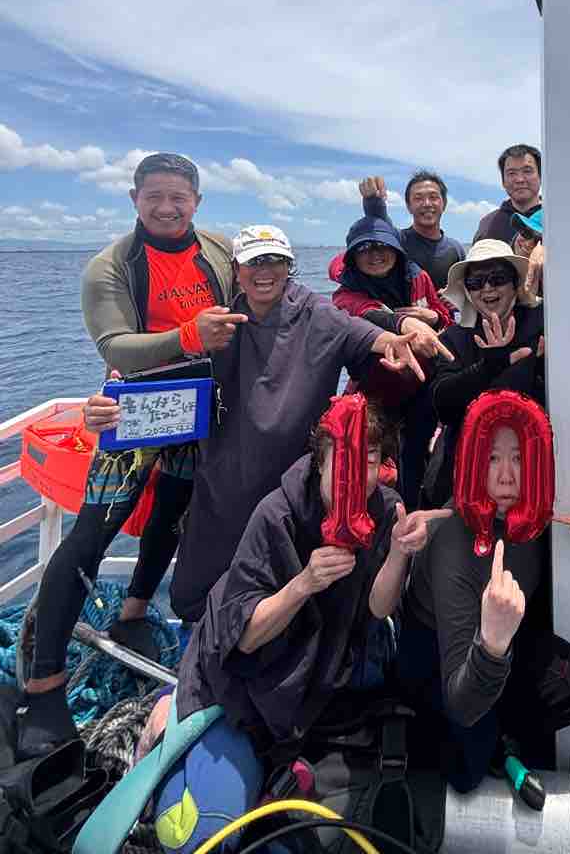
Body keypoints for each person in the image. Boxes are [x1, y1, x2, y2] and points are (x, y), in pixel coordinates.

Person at [149, 398, 449, 854]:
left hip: (320, 681)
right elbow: (245, 636)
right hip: (243, 683)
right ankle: (170, 713)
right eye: (344, 461)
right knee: (192, 837)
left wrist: (398, 553)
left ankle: (284, 773)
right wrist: (304, 583)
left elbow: (377, 608)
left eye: (370, 461)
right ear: (319, 462)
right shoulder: (277, 515)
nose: (358, 476)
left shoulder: (386, 509)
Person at [18, 152, 240, 758]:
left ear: (197, 202)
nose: (167, 208)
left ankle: (135, 611)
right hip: (135, 409)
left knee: (172, 513)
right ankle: (43, 688)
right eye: (155, 197)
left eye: (179, 198)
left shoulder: (219, 251)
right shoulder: (111, 266)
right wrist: (189, 335)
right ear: (135, 199)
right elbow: (116, 345)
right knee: (92, 533)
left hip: (200, 405)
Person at [165, 225, 432, 623]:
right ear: (236, 269)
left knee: (288, 599)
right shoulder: (218, 322)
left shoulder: (316, 315)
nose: (264, 271)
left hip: (290, 488)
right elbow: (168, 377)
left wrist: (397, 333)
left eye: (274, 261)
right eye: (254, 261)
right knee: (201, 598)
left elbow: (363, 335)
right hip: (224, 482)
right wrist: (115, 399)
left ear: (289, 266)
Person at [396, 391, 570, 793]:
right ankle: (489, 743)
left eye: (518, 459)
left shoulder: (534, 518)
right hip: (441, 656)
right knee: (468, 767)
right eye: (492, 459)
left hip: (504, 635)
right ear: (473, 463)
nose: (506, 476)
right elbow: (461, 703)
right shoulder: (454, 544)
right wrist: (493, 643)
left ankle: (508, 731)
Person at [330, 212, 454, 504]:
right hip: (375, 393)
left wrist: (434, 317)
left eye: (383, 246)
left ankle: (414, 512)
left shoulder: (418, 277)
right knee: (370, 465)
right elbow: (365, 313)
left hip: (422, 387)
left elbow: (446, 317)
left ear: (397, 250)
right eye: (364, 249)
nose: (375, 255)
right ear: (352, 258)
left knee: (416, 459)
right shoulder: (344, 295)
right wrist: (404, 323)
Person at [424, 239, 543, 507]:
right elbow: (443, 405)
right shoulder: (453, 339)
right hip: (466, 468)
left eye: (498, 278)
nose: (487, 288)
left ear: (515, 283)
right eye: (476, 282)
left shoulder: (546, 323)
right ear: (467, 292)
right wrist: (489, 367)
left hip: (532, 464)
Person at [357, 173, 465, 290]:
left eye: (433, 197)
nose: (427, 204)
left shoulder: (456, 249)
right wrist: (372, 198)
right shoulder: (397, 241)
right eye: (418, 198)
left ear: (444, 204)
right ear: (409, 206)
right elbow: (378, 218)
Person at [473, 145, 542, 243]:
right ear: (503, 181)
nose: (520, 179)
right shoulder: (488, 224)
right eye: (511, 173)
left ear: (541, 176)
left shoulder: (555, 217)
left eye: (527, 171)